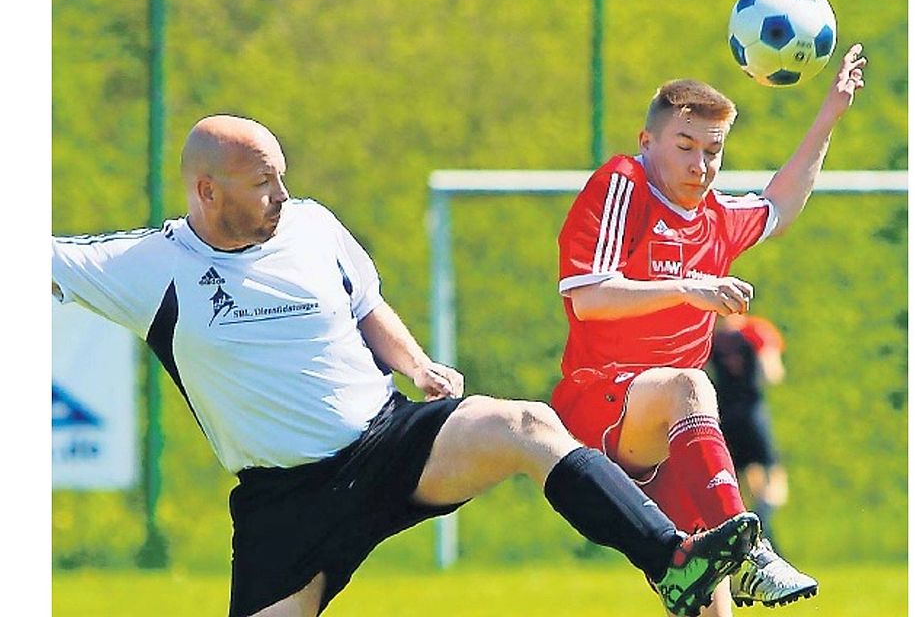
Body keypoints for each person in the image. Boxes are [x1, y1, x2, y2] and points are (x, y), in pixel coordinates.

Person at [51, 115, 762, 617]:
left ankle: (671, 559)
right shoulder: (151, 268)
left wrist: (416, 365)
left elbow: (366, 306)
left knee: (526, 424)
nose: (281, 195)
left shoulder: (311, 225)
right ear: (207, 192)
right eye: (262, 183)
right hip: (285, 503)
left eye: (281, 177)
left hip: (390, 442)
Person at [551, 43, 867, 615]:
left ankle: (732, 560)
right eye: (686, 146)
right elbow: (587, 298)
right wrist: (688, 287)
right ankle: (754, 555)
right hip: (599, 407)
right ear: (648, 142)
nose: (700, 165)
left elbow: (780, 204)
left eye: (713, 151)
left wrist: (831, 113)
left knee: (704, 600)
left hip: (676, 437)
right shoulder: (625, 183)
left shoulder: (716, 217)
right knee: (691, 384)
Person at [708, 314, 790, 550]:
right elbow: (772, 373)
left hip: (724, 415)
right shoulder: (756, 331)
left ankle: (765, 546)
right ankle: (752, 534)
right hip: (752, 415)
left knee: (746, 486)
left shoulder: (714, 337)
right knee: (775, 484)